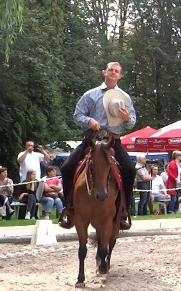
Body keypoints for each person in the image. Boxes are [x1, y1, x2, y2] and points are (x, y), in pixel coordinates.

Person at [58, 61, 137, 230]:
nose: (113, 73)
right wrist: (89, 121)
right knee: (66, 167)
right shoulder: (90, 95)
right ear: (104, 72)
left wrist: (127, 119)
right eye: (110, 70)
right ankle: (69, 208)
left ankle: (124, 210)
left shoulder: (125, 97)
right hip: (91, 140)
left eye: (116, 71)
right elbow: (77, 116)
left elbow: (131, 123)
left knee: (130, 169)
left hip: (113, 141)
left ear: (120, 76)